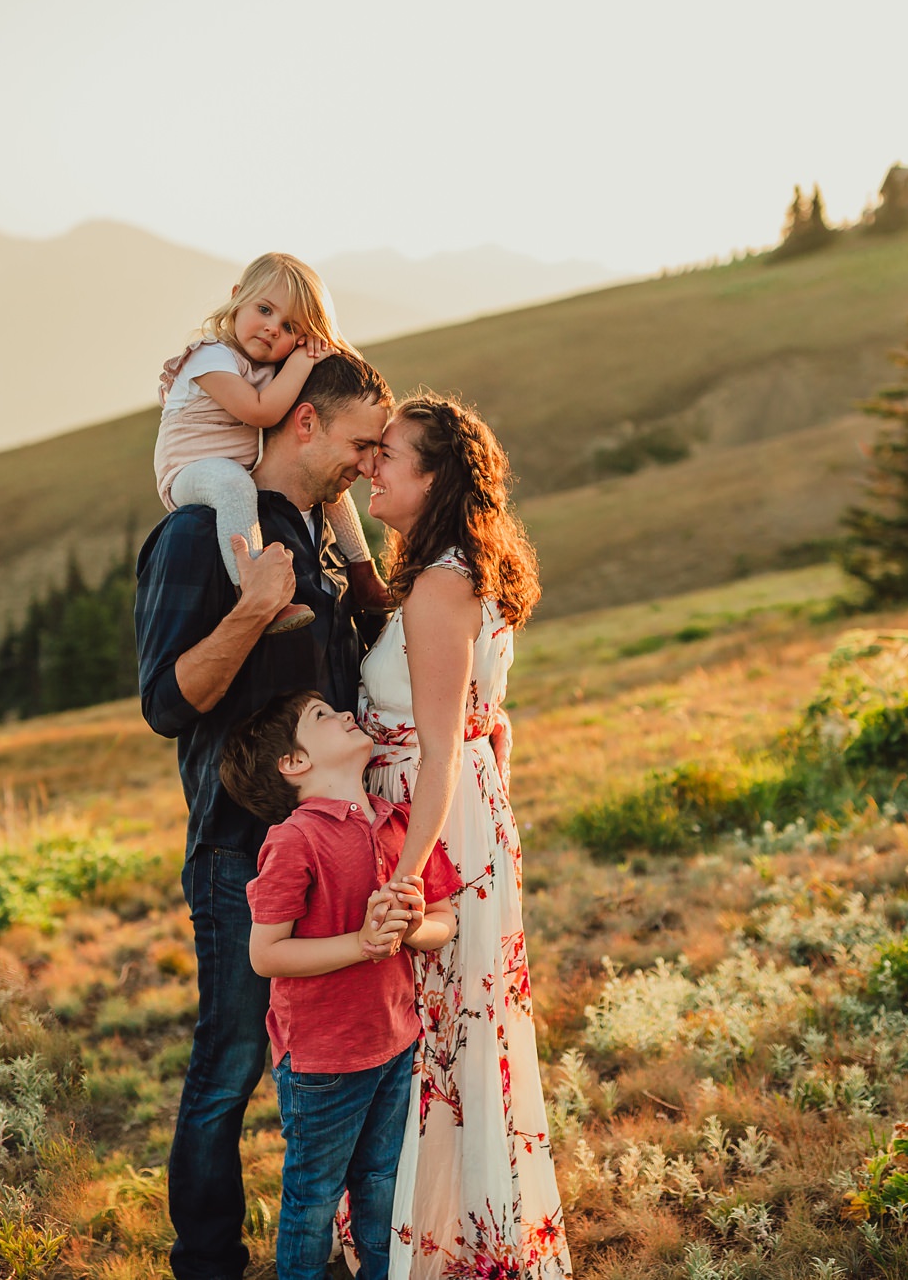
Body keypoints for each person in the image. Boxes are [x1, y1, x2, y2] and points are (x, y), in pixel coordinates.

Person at [135, 351, 392, 1280]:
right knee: (231, 1064)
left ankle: (321, 1249)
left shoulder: (321, 535)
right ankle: (206, 1263)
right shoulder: (200, 533)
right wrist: (250, 612)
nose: (368, 465)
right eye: (360, 443)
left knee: (333, 1065)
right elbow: (166, 702)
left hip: (340, 854)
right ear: (303, 423)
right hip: (240, 855)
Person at [360, 394, 573, 1278]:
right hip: (462, 821)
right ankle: (437, 1230)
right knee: (449, 1039)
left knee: (435, 1036)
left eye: (388, 454)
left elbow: (443, 750)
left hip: (436, 832)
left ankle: (439, 1247)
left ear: (435, 476)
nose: (371, 463)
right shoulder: (447, 569)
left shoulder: (444, 583)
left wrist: (405, 880)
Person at [221, 690, 463, 1280]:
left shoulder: (399, 824)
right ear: (294, 763)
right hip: (324, 1060)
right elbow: (265, 954)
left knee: (381, 1186)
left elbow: (446, 919)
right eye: (322, 718)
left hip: (396, 1041)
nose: (345, 715)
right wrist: (360, 944)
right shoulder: (295, 839)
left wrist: (411, 930)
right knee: (314, 1197)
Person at [154, 252, 390, 631]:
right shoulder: (210, 357)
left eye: (290, 327)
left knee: (330, 484)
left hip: (237, 468)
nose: (272, 329)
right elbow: (260, 412)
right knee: (234, 485)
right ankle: (255, 596)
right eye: (264, 309)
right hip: (190, 470)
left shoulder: (269, 369)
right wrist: (300, 362)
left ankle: (363, 574)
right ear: (237, 297)